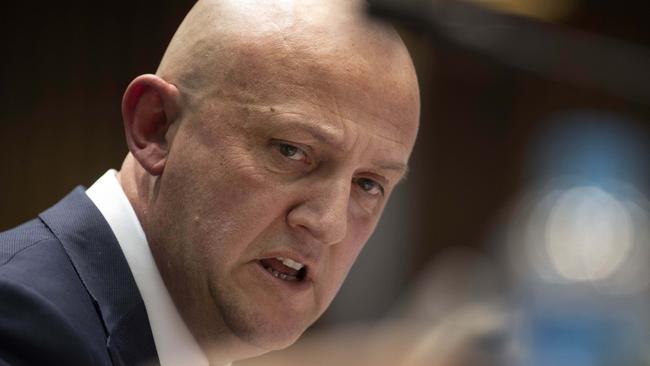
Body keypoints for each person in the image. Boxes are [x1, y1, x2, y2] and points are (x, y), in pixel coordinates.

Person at [0, 0, 420, 365]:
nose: (329, 224)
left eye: (368, 184)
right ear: (157, 127)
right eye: (291, 150)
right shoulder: (21, 326)